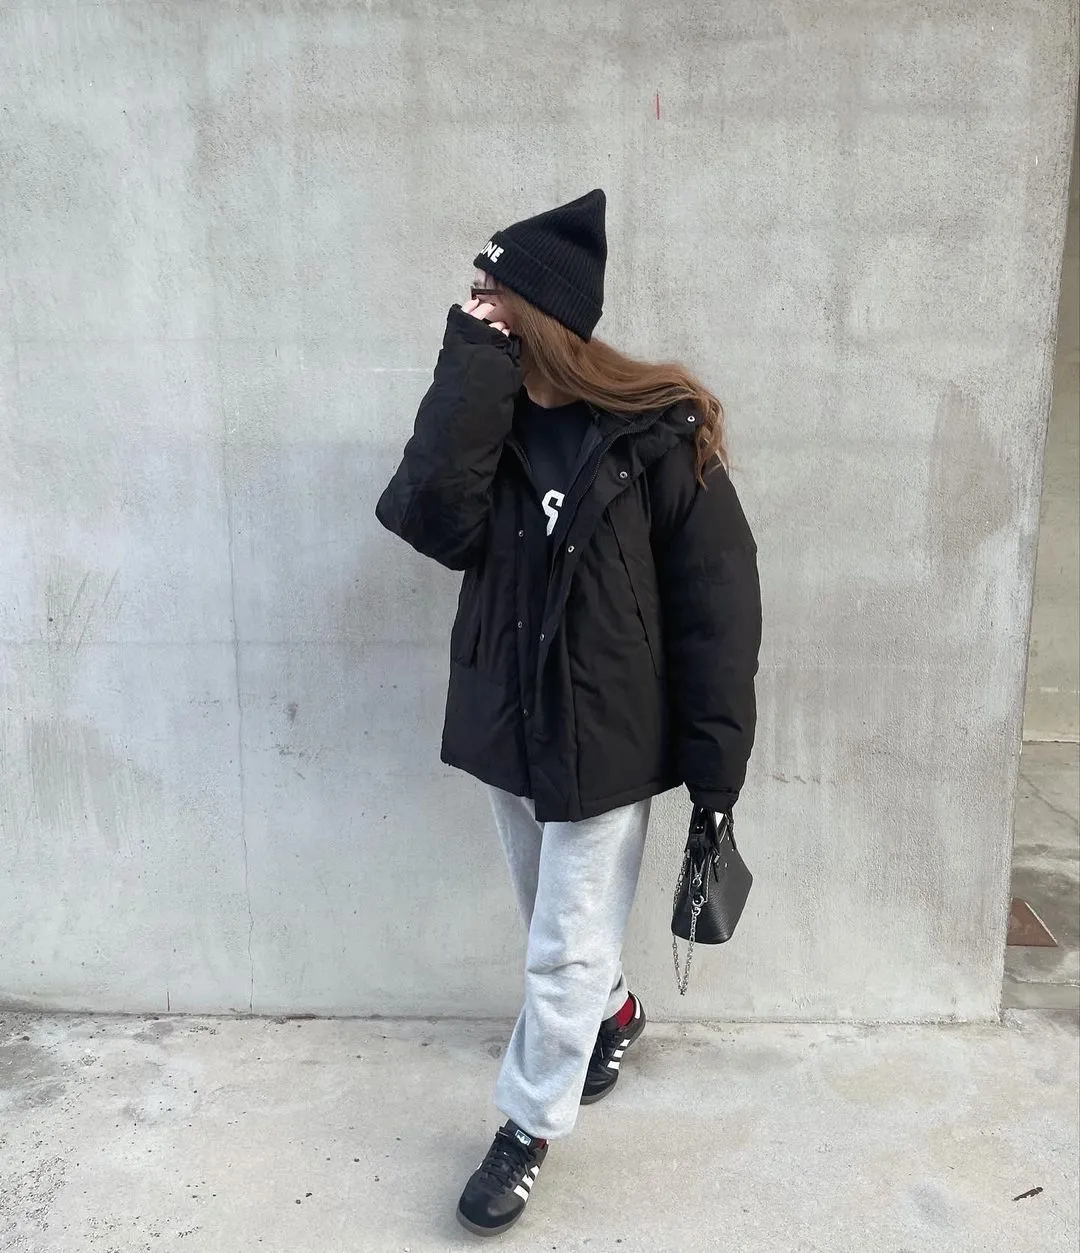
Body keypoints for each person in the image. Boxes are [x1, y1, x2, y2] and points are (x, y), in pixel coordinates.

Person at [376, 188, 761, 1237]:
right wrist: (471, 371)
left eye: (490, 292)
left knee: (559, 949)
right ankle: (616, 1011)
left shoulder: (658, 436)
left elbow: (718, 612)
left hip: (606, 735)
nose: (473, 304)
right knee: (553, 924)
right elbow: (430, 521)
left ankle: (526, 1125)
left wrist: (716, 780)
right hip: (510, 720)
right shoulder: (488, 418)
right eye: (472, 290)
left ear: (541, 310)